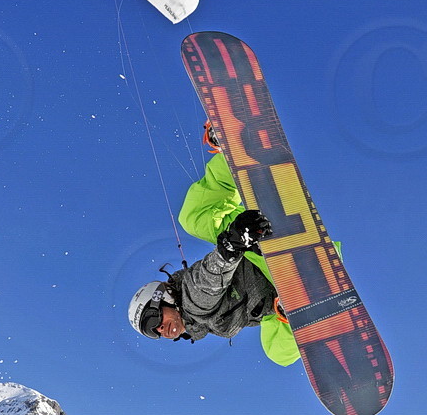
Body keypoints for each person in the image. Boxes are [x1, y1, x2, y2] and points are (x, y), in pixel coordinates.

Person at [128, 127, 341, 367]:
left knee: (192, 217)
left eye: (153, 319)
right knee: (277, 353)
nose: (159, 329)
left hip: (259, 246)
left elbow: (206, 282)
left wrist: (232, 246)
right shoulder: (198, 323)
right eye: (152, 332)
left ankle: (233, 153)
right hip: (280, 287)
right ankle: (301, 306)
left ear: (163, 298)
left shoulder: (191, 298)